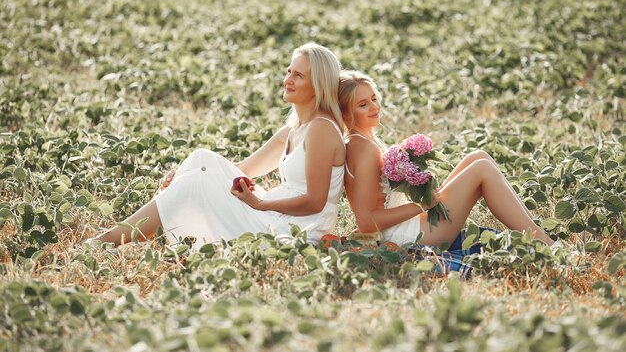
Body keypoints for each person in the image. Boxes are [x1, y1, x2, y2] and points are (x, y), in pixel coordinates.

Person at [88, 43, 346, 249]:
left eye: (298, 75)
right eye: (289, 71)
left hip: (294, 230)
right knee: (201, 159)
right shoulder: (294, 128)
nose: (288, 79)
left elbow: (315, 202)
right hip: (276, 214)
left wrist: (258, 204)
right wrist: (182, 175)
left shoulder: (321, 129)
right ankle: (136, 229)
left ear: (318, 85)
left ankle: (107, 241)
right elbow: (242, 169)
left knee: (194, 185)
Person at [338, 70, 555, 247]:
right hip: (406, 236)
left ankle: (538, 233)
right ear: (346, 114)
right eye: (363, 104)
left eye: (374, 99)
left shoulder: (366, 141)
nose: (374, 107)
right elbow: (367, 223)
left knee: (478, 157)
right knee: (482, 169)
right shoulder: (362, 149)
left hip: (410, 225)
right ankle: (547, 245)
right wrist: (422, 205)